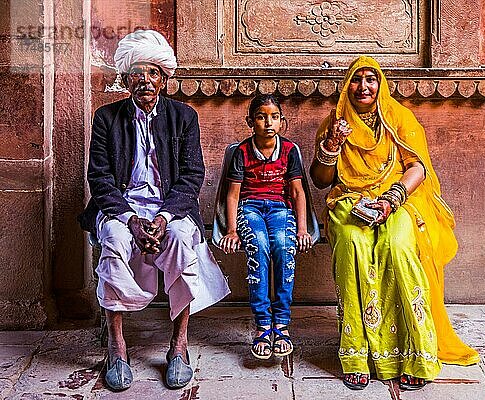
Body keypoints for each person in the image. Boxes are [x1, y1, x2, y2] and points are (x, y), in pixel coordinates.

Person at [309, 56, 480, 391]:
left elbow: (417, 167)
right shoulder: (334, 122)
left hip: (394, 200)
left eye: (371, 80)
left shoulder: (398, 118)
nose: (363, 87)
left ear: (380, 84)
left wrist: (391, 198)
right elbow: (320, 180)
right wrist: (331, 146)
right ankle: (357, 356)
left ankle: (415, 354)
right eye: (356, 80)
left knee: (399, 246)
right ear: (347, 86)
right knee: (352, 248)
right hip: (349, 202)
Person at [77, 29, 230, 391]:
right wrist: (130, 220)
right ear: (126, 78)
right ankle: (117, 347)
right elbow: (98, 178)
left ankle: (179, 346)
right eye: (137, 73)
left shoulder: (183, 117)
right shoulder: (107, 117)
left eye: (153, 73)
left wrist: (163, 218)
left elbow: (193, 175)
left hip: (170, 210)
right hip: (121, 208)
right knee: (113, 241)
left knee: (180, 241)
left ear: (163, 78)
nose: (145, 80)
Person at [218, 94, 312, 360]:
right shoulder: (242, 152)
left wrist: (303, 230)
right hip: (250, 208)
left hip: (280, 209)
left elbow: (297, 192)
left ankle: (281, 324)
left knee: (283, 246)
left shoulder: (290, 150)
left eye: (274, 117)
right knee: (258, 248)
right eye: (261, 117)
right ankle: (262, 325)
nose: (268, 123)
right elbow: (233, 194)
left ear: (282, 122)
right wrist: (232, 230)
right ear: (250, 121)